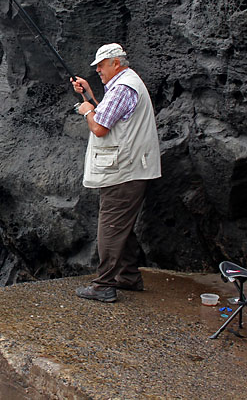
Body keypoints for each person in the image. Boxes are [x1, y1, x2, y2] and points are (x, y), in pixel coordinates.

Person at [71, 43, 161, 302]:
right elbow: (110, 116)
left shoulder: (122, 87)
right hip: (130, 170)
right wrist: (88, 95)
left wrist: (87, 110)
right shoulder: (126, 84)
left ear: (116, 63)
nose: (98, 69)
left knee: (110, 226)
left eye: (101, 65)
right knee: (121, 226)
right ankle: (127, 276)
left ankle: (104, 285)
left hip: (124, 171)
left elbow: (100, 127)